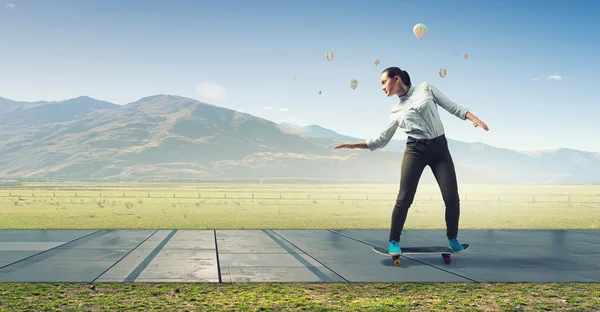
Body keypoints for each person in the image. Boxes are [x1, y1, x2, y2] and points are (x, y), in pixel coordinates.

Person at [334, 67, 489, 255]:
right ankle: (393, 241)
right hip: (415, 151)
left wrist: (474, 118)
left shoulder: (425, 88)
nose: (382, 87)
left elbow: (452, 106)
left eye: (384, 82)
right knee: (405, 197)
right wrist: (352, 146)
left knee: (451, 197)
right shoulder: (395, 110)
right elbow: (381, 141)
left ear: (396, 78)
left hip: (440, 149)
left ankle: (453, 239)